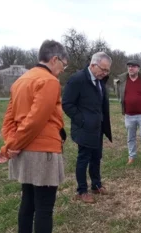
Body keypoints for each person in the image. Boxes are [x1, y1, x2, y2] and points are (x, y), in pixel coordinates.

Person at [0, 40, 74, 233]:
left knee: (28, 200)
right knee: (44, 207)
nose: (62, 70)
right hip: (43, 152)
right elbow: (36, 120)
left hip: (24, 150)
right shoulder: (49, 81)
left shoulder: (21, 80)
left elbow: (9, 120)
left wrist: (12, 144)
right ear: (55, 59)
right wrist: (13, 145)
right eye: (64, 65)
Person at [62, 52, 113, 204]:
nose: (104, 73)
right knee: (83, 159)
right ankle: (82, 190)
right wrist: (82, 120)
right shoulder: (77, 80)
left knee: (96, 157)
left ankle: (96, 185)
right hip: (84, 128)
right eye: (103, 69)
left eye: (107, 71)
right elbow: (67, 104)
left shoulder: (100, 81)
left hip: (97, 128)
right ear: (92, 65)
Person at [115, 60, 141, 166]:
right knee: (130, 137)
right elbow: (118, 94)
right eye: (129, 66)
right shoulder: (122, 81)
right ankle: (131, 156)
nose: (130, 68)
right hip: (128, 114)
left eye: (133, 66)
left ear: (138, 68)